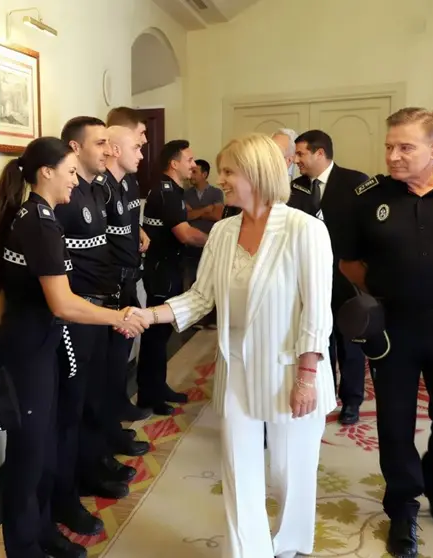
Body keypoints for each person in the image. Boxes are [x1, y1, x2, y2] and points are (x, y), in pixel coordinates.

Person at [136, 132, 337, 558]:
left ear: (258, 174)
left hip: (292, 368)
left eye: (229, 171)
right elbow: (201, 297)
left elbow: (317, 312)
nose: (218, 179)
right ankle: (248, 551)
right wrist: (149, 315)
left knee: (289, 470)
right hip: (237, 367)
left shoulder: (306, 230)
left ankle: (290, 544)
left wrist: (307, 376)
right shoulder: (225, 232)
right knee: (238, 469)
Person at [0, 137, 146, 558]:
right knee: (28, 455)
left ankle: (42, 531)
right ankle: (24, 544)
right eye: (70, 172)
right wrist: (118, 317)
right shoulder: (36, 220)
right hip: (27, 350)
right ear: (46, 173)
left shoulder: (42, 217)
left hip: (43, 344)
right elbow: (63, 302)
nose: (76, 181)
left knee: (46, 446)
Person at [336, 108, 433, 558]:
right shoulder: (369, 197)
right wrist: (383, 296)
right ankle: (403, 507)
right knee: (394, 425)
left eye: (405, 147)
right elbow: (349, 262)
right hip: (395, 329)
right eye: (389, 146)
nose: (393, 155)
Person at [289, 129, 369, 426]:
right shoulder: (295, 187)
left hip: (345, 276)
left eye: (300, 154)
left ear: (319, 153)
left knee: (350, 340)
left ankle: (352, 400)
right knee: (320, 338)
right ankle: (326, 393)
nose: (296, 160)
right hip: (309, 276)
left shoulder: (355, 182)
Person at [135, 140, 207, 415]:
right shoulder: (166, 192)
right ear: (174, 163)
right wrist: (218, 242)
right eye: (189, 160)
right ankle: (148, 395)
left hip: (169, 267)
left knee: (162, 334)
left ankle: (159, 386)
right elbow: (185, 234)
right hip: (162, 271)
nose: (194, 165)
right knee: (156, 334)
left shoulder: (173, 191)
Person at [103, 109, 152, 423]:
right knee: (107, 361)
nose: (143, 150)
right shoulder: (99, 188)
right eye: (138, 142)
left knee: (121, 354)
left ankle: (118, 409)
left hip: (130, 277)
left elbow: (127, 223)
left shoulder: (129, 183)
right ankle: (109, 421)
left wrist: (139, 231)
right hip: (109, 284)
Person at [182, 159, 223, 292]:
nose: (191, 175)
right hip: (190, 245)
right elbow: (185, 216)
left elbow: (217, 216)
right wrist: (206, 209)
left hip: (210, 243)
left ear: (204, 175)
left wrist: (195, 212)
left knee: (209, 285)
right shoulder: (185, 193)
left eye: (195, 172)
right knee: (189, 283)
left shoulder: (216, 193)